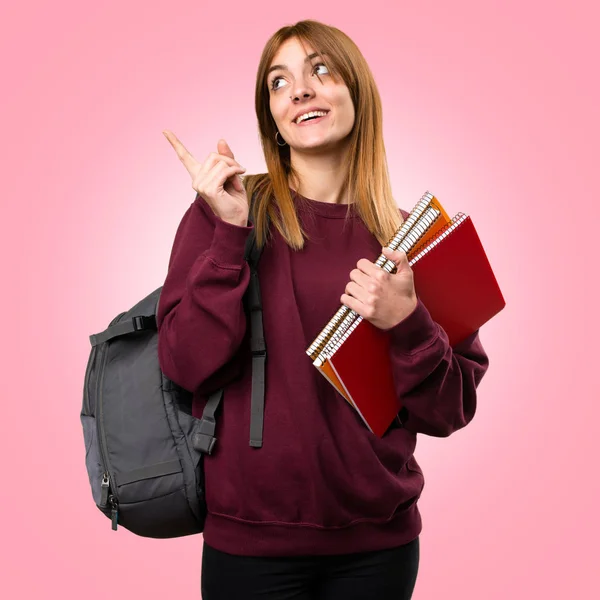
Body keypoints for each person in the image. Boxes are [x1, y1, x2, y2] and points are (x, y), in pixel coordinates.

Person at [157, 19, 489, 600]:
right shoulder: (226, 211)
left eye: (321, 70)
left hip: (377, 550)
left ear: (356, 92)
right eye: (279, 83)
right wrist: (231, 238)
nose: (301, 91)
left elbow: (450, 410)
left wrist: (407, 322)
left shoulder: (413, 238)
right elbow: (185, 366)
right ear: (274, 120)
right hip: (249, 546)